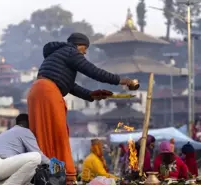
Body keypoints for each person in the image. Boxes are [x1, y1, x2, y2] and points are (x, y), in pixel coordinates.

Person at [27, 32, 135, 181]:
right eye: (85, 49)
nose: (85, 53)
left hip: (36, 92)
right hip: (48, 93)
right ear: (80, 45)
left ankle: (47, 173)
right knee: (58, 134)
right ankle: (64, 176)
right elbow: (94, 72)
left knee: (43, 135)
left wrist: (90, 95)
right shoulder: (71, 51)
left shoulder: (59, 56)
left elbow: (70, 86)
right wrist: (122, 81)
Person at [0, 114, 49, 185]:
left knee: (26, 175)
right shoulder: (24, 131)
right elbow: (40, 156)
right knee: (36, 157)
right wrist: (55, 166)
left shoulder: (9, 132)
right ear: (27, 123)